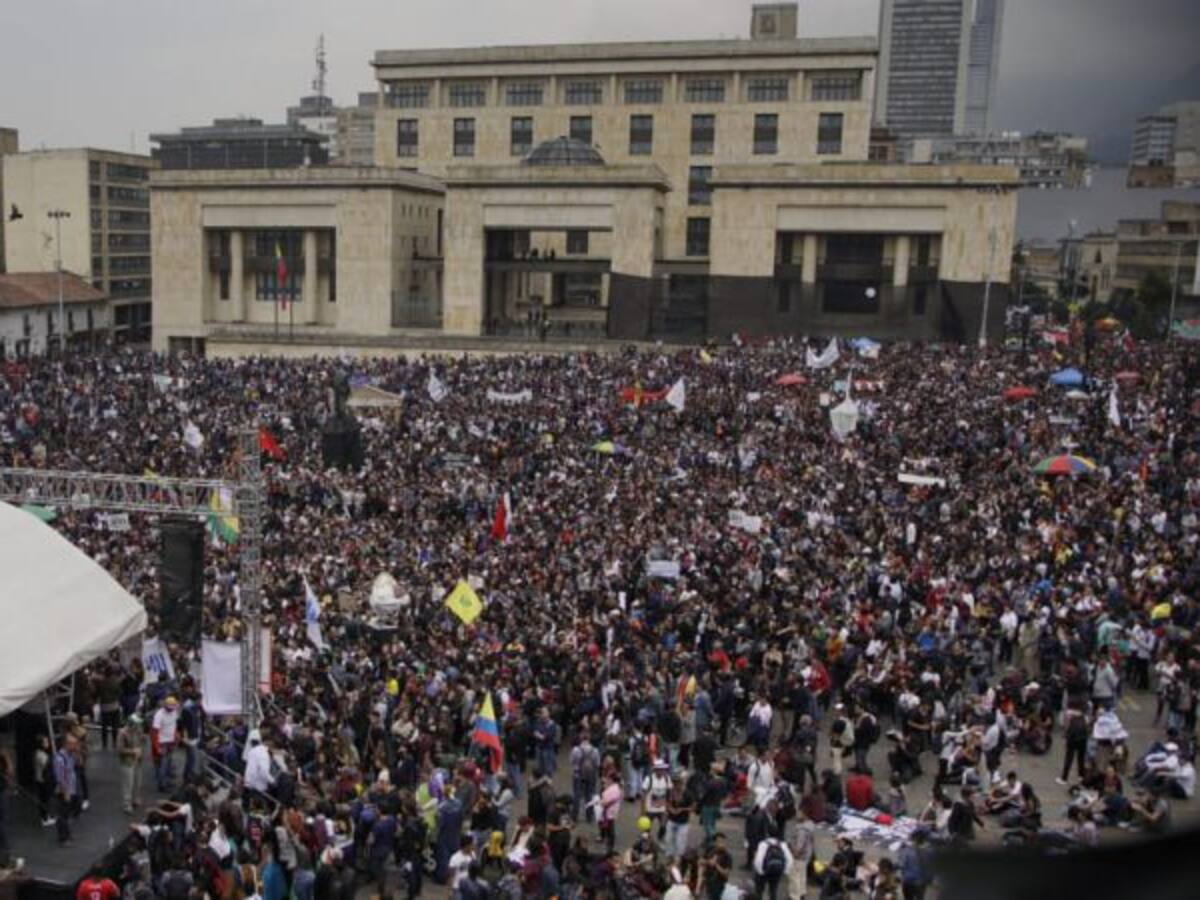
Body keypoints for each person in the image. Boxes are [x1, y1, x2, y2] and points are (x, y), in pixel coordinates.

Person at [150, 695, 180, 794]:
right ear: (165, 706)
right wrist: (157, 747)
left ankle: (166, 782)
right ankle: (161, 785)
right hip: (162, 743)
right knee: (161, 765)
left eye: (172, 708)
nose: (171, 710)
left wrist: (175, 736)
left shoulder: (174, 712)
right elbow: (154, 732)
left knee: (168, 764)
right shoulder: (159, 715)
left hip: (170, 742)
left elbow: (174, 725)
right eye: (169, 708)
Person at [53, 733, 79, 846]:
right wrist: (65, 792)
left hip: (72, 788)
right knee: (62, 814)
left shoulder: (71, 755)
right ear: (67, 744)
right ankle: (63, 838)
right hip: (64, 791)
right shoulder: (59, 759)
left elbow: (77, 765)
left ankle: (67, 833)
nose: (75, 746)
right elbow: (60, 778)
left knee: (68, 813)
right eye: (73, 744)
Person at [569, 732, 601, 823]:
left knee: (576, 795)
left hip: (577, 774)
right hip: (591, 775)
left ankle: (574, 816)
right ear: (589, 739)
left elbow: (571, 761)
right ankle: (589, 816)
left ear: (580, 738)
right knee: (589, 795)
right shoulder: (595, 750)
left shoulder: (576, 750)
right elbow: (597, 764)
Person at [116, 714, 145, 815]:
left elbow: (141, 742)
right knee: (128, 784)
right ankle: (127, 805)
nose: (138, 726)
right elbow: (120, 750)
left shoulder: (138, 731)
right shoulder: (123, 733)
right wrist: (133, 751)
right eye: (136, 724)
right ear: (131, 724)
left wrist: (140, 749)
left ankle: (136, 799)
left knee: (138, 781)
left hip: (137, 760)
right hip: (127, 762)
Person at [752, 833, 792, 900]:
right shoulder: (782, 844)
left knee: (759, 891)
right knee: (773, 890)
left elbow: (758, 859)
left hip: (764, 871)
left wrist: (760, 871)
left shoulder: (763, 844)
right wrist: (785, 871)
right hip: (776, 871)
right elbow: (790, 859)